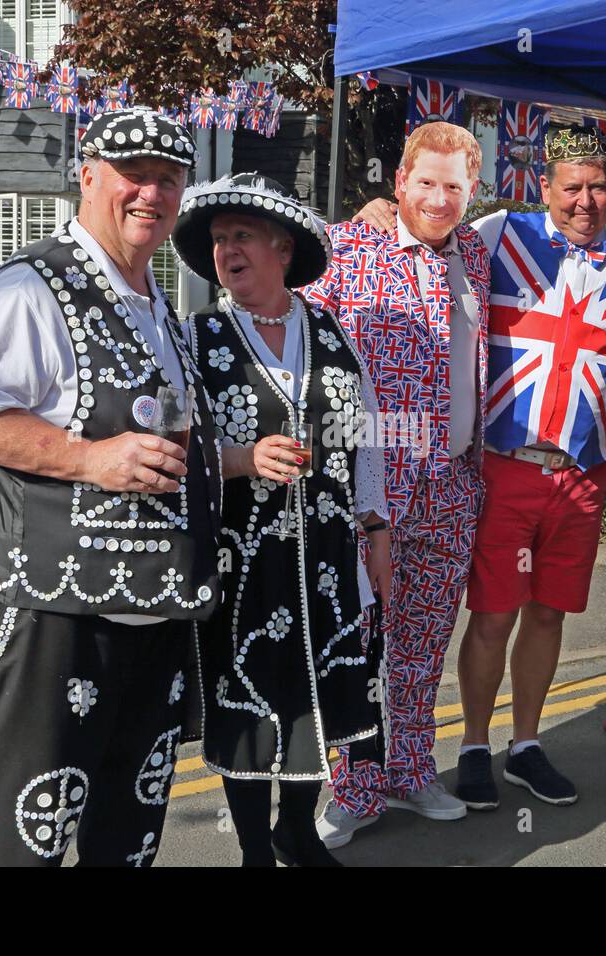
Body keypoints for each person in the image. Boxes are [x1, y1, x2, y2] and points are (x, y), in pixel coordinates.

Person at [0, 109, 222, 867]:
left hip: (152, 614)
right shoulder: (31, 287)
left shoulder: (159, 302)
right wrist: (87, 460)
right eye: (134, 174)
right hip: (58, 619)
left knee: (127, 832)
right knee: (25, 833)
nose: (150, 193)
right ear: (88, 175)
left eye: (168, 179)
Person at [352, 127, 606, 808]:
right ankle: (474, 746)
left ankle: (526, 745)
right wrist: (378, 206)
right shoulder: (495, 234)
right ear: (544, 186)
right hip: (502, 465)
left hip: (582, 473)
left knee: (549, 616)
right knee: (491, 617)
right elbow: (426, 227)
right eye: (571, 187)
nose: (585, 201)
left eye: (598, 187)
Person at [170, 172, 392, 866]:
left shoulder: (329, 330)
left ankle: (296, 831)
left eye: (241, 237)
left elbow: (366, 435)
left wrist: (376, 528)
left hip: (326, 558)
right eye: (217, 241)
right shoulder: (196, 337)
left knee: (316, 697)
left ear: (282, 249)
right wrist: (236, 459)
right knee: (248, 698)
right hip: (245, 564)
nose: (226, 251)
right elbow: (172, 443)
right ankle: (253, 850)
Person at [301, 121, 491, 846]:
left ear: (471, 191)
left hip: (451, 483)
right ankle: (353, 787)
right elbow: (299, 341)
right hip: (369, 490)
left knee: (422, 643)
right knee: (359, 641)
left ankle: (412, 770)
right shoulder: (347, 247)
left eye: (455, 186)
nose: (440, 198)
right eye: (427, 182)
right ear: (400, 181)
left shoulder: (476, 253)